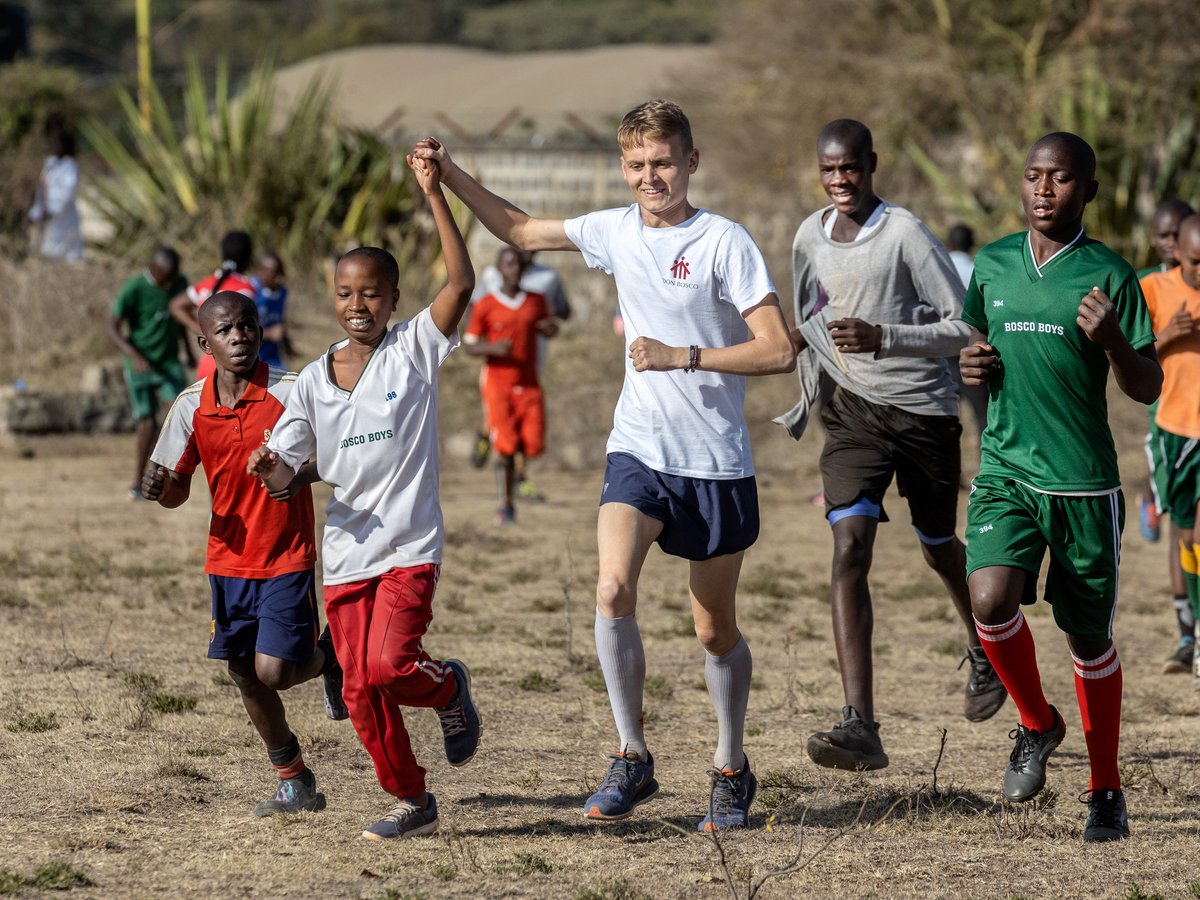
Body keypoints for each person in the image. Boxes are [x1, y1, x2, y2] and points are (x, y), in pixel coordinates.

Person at [413, 98, 796, 832]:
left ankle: (730, 767)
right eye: (637, 165)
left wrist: (682, 356)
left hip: (714, 463)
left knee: (713, 630)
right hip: (639, 451)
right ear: (623, 167)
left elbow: (778, 350)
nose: (650, 177)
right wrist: (450, 176)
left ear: (691, 161)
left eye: (663, 162)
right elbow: (520, 229)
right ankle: (631, 755)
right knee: (612, 584)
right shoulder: (614, 230)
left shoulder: (725, 241)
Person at [246, 150, 482, 842]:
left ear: (395, 300)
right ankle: (412, 798)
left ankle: (447, 689)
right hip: (348, 554)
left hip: (409, 545)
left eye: (372, 294)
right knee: (357, 690)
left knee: (389, 665)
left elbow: (462, 280)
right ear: (333, 299)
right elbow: (289, 469)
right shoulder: (313, 381)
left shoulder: (414, 350)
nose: (359, 306)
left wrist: (433, 193)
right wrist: (270, 469)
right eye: (347, 295)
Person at [777, 119, 1005, 776]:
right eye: (829, 170)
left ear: (871, 165)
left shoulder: (903, 233)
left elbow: (966, 327)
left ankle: (984, 645)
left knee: (938, 547)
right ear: (818, 172)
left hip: (925, 415)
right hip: (853, 418)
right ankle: (861, 726)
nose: (840, 180)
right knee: (849, 547)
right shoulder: (807, 237)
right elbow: (808, 315)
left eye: (850, 168)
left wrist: (886, 337)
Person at [960, 132, 1160, 843]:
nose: (1044, 190)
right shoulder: (993, 262)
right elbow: (974, 345)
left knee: (1087, 639)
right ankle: (1038, 722)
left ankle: (1105, 791)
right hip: (1006, 470)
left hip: (1082, 486)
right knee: (988, 598)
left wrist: (1113, 342)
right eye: (1034, 176)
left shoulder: (1110, 275)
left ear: (1088, 192)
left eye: (1062, 179)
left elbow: (1147, 386)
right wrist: (971, 367)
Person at [141, 290, 348, 819]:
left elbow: (338, 450)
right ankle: (295, 780)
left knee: (276, 671)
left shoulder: (293, 390)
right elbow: (177, 490)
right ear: (204, 340)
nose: (239, 337)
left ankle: (334, 659)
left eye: (248, 326)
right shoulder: (191, 405)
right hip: (227, 560)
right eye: (227, 330)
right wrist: (158, 486)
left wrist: (293, 476)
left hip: (286, 553)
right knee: (243, 672)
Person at [1140, 215, 1200, 676]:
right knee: (1185, 534)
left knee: (1198, 534)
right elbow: (1129, 359)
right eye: (1196, 262)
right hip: (1172, 430)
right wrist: (1171, 335)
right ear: (1177, 251)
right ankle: (1188, 632)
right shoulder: (1154, 290)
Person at [463, 246, 558, 524]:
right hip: (497, 383)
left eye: (518, 265)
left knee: (533, 443)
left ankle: (491, 443)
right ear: (499, 269)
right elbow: (469, 346)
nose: (514, 270)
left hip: (529, 381)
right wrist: (492, 348)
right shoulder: (486, 305)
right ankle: (506, 505)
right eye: (508, 264)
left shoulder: (536, 301)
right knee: (505, 446)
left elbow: (551, 324)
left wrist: (550, 329)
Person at [105, 247, 190, 500]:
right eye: (165, 279)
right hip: (142, 363)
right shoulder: (134, 289)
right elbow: (111, 326)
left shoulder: (179, 283)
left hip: (169, 362)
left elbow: (180, 316)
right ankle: (137, 481)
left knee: (177, 415)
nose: (170, 284)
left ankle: (158, 476)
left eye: (173, 278)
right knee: (147, 423)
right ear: (153, 270)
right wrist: (133, 353)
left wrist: (189, 349)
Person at [1136, 200, 1194, 546]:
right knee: (1163, 458)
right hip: (1164, 400)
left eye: (1178, 234)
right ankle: (1152, 497)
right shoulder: (1146, 284)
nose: (1171, 242)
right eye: (1163, 235)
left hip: (1194, 398)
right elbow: (1131, 353)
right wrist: (1169, 334)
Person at [171, 230, 258, 381]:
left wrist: (204, 331)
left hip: (207, 365)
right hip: (234, 367)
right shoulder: (244, 289)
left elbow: (175, 305)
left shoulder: (207, 284)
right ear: (249, 258)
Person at [947, 223, 988, 440]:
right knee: (982, 412)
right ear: (971, 245)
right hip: (971, 347)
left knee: (945, 412)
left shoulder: (940, 267)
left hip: (941, 348)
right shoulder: (976, 270)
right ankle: (987, 465)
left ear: (949, 242)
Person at [28, 129, 84, 262]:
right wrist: (36, 213)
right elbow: (41, 191)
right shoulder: (50, 164)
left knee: (65, 256)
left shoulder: (70, 167)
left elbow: (67, 193)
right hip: (47, 216)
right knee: (46, 253)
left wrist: (52, 211)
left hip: (63, 218)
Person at [252, 252, 293, 370]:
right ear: (262, 271)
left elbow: (279, 321)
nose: (279, 278)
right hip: (253, 357)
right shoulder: (251, 292)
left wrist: (287, 344)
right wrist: (269, 334)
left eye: (281, 273)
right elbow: (242, 331)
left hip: (273, 357)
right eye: (275, 274)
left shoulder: (282, 292)